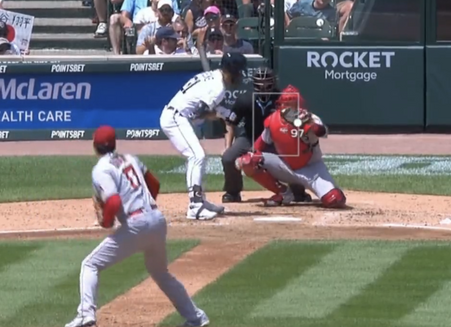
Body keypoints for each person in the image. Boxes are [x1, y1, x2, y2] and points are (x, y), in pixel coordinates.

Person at [65, 125, 210, 327]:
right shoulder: (130, 158)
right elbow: (155, 184)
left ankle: (86, 316)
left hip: (136, 225)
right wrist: (143, 207)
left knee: (90, 265)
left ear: (95, 146)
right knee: (160, 272)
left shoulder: (101, 169)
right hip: (157, 220)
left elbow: (114, 202)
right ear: (114, 143)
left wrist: (107, 221)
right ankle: (196, 318)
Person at [159, 52, 246, 220]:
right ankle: (195, 206)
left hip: (177, 116)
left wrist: (223, 113)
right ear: (232, 70)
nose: (241, 75)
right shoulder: (218, 87)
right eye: (239, 71)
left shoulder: (213, 76)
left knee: (197, 156)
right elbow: (200, 114)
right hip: (175, 118)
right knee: (196, 155)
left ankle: (201, 201)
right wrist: (223, 114)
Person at [235, 85, 346, 208]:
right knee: (248, 161)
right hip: (285, 166)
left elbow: (322, 132)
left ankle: (320, 190)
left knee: (335, 199)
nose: (290, 108)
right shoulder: (273, 120)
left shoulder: (310, 118)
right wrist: (248, 159)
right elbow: (259, 145)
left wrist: (310, 125)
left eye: (293, 104)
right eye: (287, 104)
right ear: (281, 105)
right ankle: (283, 193)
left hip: (312, 169)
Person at [221, 67, 312, 203]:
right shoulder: (245, 99)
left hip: (277, 139)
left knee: (293, 157)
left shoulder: (282, 98)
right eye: (260, 83)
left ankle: (298, 191)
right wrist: (227, 146)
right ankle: (233, 192)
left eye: (267, 83)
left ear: (273, 82)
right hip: (250, 137)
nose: (264, 87)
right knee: (228, 158)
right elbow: (230, 123)